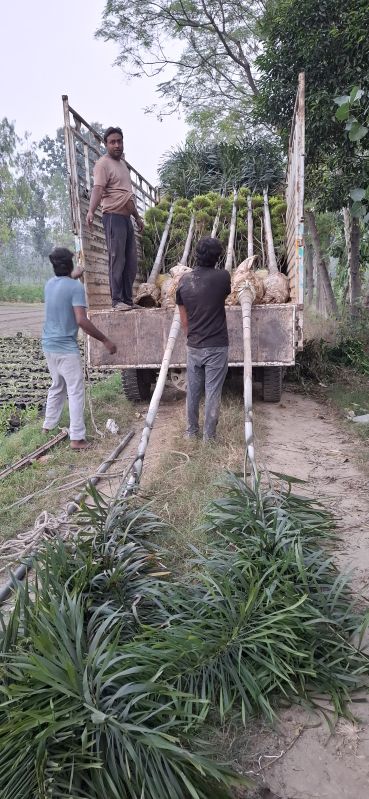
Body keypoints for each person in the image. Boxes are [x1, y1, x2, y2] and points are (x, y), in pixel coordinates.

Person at [42, 247, 117, 450]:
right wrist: (105, 340)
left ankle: (47, 426)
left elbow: (64, 284)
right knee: (75, 391)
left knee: (57, 385)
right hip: (66, 348)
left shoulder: (49, 285)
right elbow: (81, 320)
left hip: (48, 345)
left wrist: (74, 275)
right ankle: (77, 438)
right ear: (70, 265)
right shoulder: (75, 289)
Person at [176, 237, 231, 442]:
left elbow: (184, 320)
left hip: (194, 345)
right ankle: (209, 437)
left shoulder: (183, 281)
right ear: (217, 257)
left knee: (193, 391)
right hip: (217, 344)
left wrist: (192, 337)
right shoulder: (223, 277)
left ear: (196, 255)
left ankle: (191, 432)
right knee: (213, 392)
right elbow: (224, 295)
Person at [86, 126, 144, 311]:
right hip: (113, 217)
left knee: (131, 262)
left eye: (119, 141)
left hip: (126, 218)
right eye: (113, 142)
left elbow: (127, 196)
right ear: (106, 144)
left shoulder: (123, 165)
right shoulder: (103, 164)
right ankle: (117, 300)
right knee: (117, 259)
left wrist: (137, 218)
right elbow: (98, 189)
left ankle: (127, 300)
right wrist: (90, 211)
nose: (117, 145)